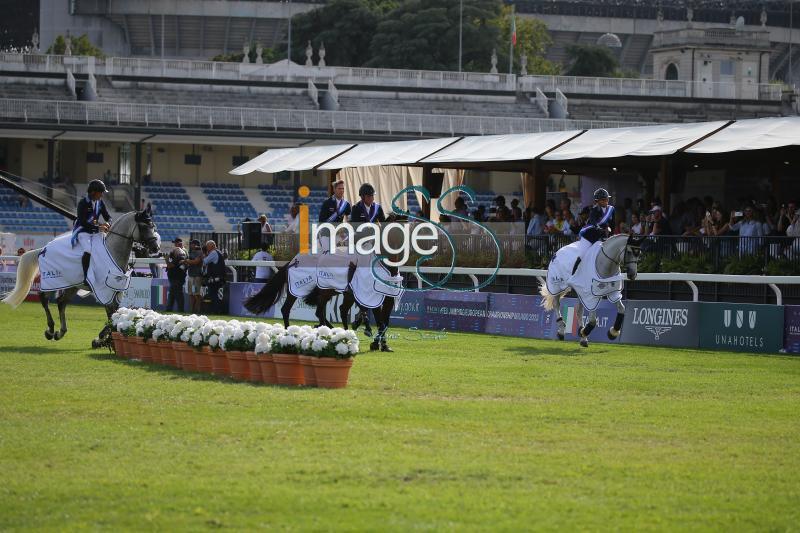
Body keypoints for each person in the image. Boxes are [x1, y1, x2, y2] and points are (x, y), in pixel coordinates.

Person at [72, 180, 112, 283]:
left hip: (94, 231)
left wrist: (108, 223)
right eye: (101, 192)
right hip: (83, 231)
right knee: (88, 250)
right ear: (93, 192)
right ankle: (86, 277)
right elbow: (83, 222)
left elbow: (108, 217)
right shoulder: (83, 203)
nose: (102, 195)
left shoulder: (100, 202)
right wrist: (98, 228)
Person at [574, 188, 615, 262]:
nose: (605, 201)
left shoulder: (611, 209)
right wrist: (602, 230)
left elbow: (613, 224)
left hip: (604, 236)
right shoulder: (594, 210)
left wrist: (611, 234)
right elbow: (593, 222)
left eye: (606, 199)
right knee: (582, 254)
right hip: (590, 236)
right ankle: (575, 269)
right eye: (603, 200)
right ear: (597, 201)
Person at [202, 240, 227, 314]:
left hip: (215, 279)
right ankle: (217, 310)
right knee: (214, 294)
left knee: (213, 294)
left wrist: (203, 256)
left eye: (207, 247)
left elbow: (204, 262)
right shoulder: (218, 252)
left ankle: (216, 310)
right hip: (219, 278)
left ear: (211, 246)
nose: (207, 248)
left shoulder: (213, 253)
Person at [165, 238, 187, 312]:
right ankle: (169, 308)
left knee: (177, 294)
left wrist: (166, 260)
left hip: (176, 276)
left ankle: (180, 309)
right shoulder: (183, 252)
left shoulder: (179, 252)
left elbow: (170, 265)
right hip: (178, 276)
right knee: (172, 293)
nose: (174, 245)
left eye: (176, 243)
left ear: (179, 244)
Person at [184, 239, 204, 314]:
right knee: (191, 294)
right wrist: (187, 262)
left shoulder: (200, 252)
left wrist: (186, 261)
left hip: (197, 276)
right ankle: (192, 310)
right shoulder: (191, 252)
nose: (190, 245)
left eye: (192, 244)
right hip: (191, 275)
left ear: (195, 245)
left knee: (197, 294)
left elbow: (196, 261)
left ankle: (198, 310)